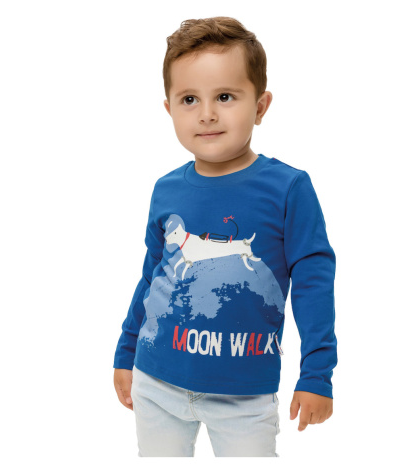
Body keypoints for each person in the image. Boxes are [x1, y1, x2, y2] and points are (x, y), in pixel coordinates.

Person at [113, 16, 337, 458]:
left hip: (244, 398)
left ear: (261, 106)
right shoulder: (166, 189)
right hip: (155, 381)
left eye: (225, 96)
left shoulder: (289, 188)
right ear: (169, 109)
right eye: (189, 99)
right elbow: (151, 277)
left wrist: (317, 374)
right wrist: (126, 351)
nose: (207, 113)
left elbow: (314, 285)